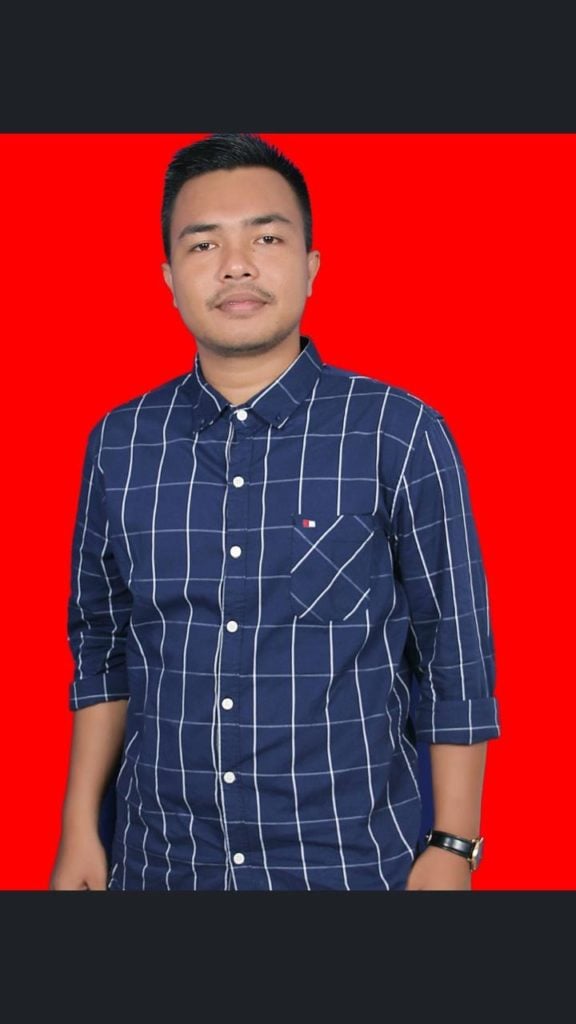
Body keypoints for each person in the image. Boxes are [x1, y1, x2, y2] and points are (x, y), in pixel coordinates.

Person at [50, 132, 500, 892]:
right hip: (161, 864)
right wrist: (78, 831)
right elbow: (102, 649)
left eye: (266, 237)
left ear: (311, 266)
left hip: (350, 867)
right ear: (169, 279)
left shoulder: (397, 431)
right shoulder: (119, 443)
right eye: (204, 244)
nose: (236, 265)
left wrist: (453, 845)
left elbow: (454, 653)